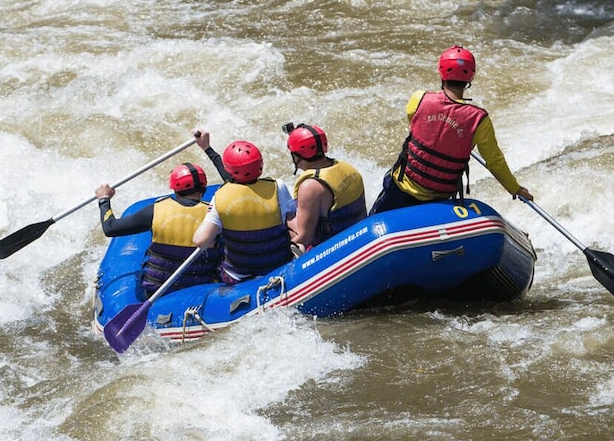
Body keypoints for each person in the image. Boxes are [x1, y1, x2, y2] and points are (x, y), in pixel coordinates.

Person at [370, 45, 534, 215]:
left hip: (400, 189)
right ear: (470, 78)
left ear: (442, 73)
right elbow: (495, 162)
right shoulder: (479, 120)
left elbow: (417, 126)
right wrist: (514, 188)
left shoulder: (419, 99)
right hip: (439, 201)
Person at [95, 163, 223, 295]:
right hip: (201, 292)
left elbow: (110, 228)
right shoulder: (216, 214)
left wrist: (104, 200)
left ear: (174, 188)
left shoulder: (156, 210)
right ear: (204, 187)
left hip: (158, 292)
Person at [193, 140, 297, 284]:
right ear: (260, 164)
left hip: (238, 275)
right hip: (279, 265)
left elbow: (200, 240)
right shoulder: (278, 187)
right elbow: (296, 228)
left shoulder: (220, 197)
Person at [283, 122, 367, 253]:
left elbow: (303, 238)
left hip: (333, 250)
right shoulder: (347, 168)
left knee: (281, 220)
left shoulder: (310, 186)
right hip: (360, 237)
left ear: (296, 156)